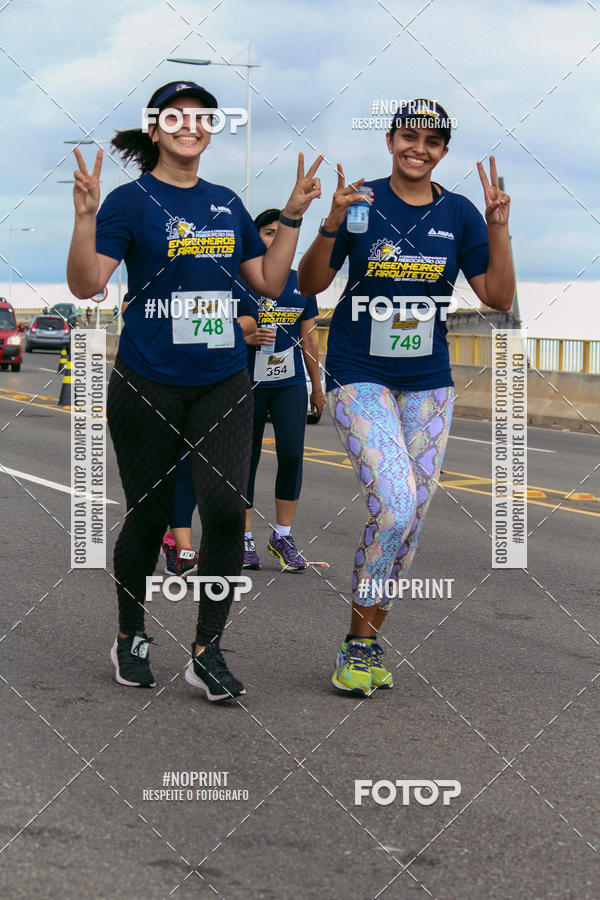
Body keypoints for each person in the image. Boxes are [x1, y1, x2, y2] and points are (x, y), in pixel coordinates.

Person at [67, 80, 322, 700]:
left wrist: (290, 217)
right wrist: (85, 218)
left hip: (222, 380)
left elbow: (267, 280)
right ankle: (131, 633)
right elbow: (85, 284)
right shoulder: (129, 203)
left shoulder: (225, 203)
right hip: (147, 380)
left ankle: (207, 651)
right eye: (175, 117)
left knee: (228, 511)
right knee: (151, 512)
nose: (191, 125)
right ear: (155, 130)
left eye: (202, 116)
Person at [298, 99, 514, 697]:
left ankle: (364, 643)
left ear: (444, 150)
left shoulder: (461, 213)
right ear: (391, 139)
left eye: (433, 141)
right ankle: (358, 645)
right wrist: (331, 222)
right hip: (356, 371)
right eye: (409, 137)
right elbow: (311, 285)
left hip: (428, 382)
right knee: (394, 502)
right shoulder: (361, 202)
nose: (419, 148)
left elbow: (497, 296)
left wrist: (498, 228)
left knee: (411, 519)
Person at [241, 208, 325, 572]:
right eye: (267, 232)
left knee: (291, 455)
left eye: (281, 233)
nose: (275, 239)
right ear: (254, 237)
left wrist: (316, 385)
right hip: (245, 384)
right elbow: (217, 329)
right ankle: (242, 537)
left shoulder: (300, 283)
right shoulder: (239, 280)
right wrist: (244, 335)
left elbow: (309, 336)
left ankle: (282, 536)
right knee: (246, 460)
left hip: (289, 383)